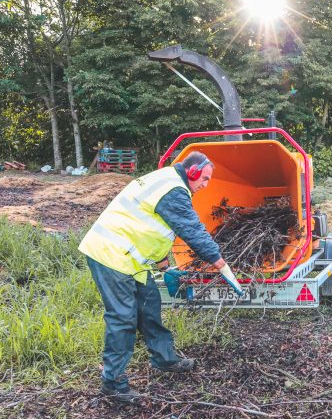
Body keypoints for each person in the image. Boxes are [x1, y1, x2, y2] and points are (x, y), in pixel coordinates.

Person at [78, 151, 240, 403]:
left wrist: (166, 268)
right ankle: (113, 385)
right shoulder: (174, 191)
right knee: (123, 318)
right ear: (192, 172)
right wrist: (221, 265)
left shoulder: (167, 181)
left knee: (149, 306)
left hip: (132, 260)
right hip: (111, 255)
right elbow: (192, 230)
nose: (205, 185)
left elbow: (156, 229)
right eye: (205, 179)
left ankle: (165, 360)